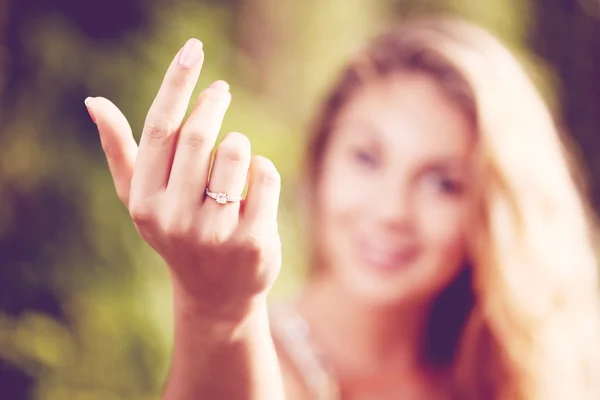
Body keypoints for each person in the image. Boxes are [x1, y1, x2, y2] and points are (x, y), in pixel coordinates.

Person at [84, 16, 600, 400]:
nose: (392, 212)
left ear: (497, 211)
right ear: (320, 161)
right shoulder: (246, 359)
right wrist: (215, 309)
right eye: (367, 157)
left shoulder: (521, 367)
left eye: (443, 183)